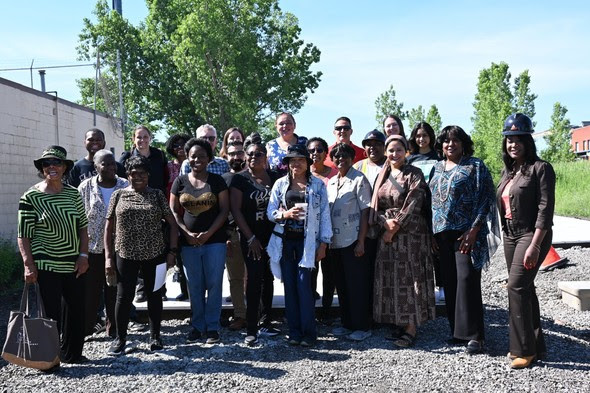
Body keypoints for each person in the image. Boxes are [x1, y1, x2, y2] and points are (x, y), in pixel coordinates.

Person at [429, 125, 499, 354]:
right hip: (441, 235)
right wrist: (431, 234)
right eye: (446, 141)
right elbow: (431, 202)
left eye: (455, 140)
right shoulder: (437, 168)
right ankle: (458, 333)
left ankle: (476, 336)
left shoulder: (475, 166)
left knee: (467, 282)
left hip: (467, 234)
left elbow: (486, 198)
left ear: (463, 143)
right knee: (450, 283)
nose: (450, 144)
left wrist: (474, 230)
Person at [17, 145, 89, 364]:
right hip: (45, 263)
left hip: (73, 262)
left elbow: (82, 228)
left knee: (76, 309)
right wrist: (28, 265)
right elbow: (24, 235)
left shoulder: (73, 194)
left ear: (65, 167)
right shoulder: (31, 197)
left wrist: (83, 256)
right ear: (42, 168)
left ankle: (72, 354)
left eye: (56, 163)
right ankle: (48, 357)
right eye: (46, 164)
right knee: (51, 313)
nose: (51, 167)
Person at [497, 113, 555, 369]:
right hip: (511, 234)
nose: (513, 144)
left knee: (516, 287)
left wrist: (535, 245)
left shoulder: (541, 168)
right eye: (509, 139)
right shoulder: (509, 171)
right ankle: (536, 344)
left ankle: (523, 350)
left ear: (528, 141)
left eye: (518, 139)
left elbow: (545, 209)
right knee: (526, 289)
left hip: (531, 234)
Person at [104, 155, 179, 355]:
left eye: (142, 173)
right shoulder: (118, 195)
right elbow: (108, 227)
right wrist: (109, 257)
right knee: (123, 296)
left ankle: (155, 337)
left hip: (155, 254)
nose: (138, 177)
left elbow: (172, 224)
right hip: (125, 254)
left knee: (154, 295)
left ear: (148, 175)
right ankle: (120, 339)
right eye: (133, 174)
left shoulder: (156, 195)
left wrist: (172, 251)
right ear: (127, 175)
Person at [369, 135, 436, 347]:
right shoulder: (383, 175)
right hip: (386, 231)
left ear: (406, 152)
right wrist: (383, 223)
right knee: (392, 278)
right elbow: (375, 206)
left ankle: (411, 327)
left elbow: (414, 202)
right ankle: (399, 321)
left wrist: (394, 226)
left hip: (410, 235)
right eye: (391, 150)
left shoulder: (413, 174)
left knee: (409, 278)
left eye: (399, 150)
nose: (394, 154)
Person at [267, 144, 332, 346]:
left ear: (307, 162)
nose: (297, 163)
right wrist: (285, 214)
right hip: (286, 240)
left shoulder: (318, 185)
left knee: (305, 286)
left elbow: (325, 216)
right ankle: (294, 332)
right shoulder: (279, 184)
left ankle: (309, 333)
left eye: (301, 159)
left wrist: (324, 243)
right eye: (293, 160)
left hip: (308, 242)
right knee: (290, 287)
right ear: (287, 163)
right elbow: (270, 212)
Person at [170, 138, 230, 345]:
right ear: (187, 157)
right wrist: (186, 233)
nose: (197, 159)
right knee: (194, 285)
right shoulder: (180, 182)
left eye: (202, 156)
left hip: (215, 241)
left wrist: (208, 233)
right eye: (193, 156)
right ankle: (197, 326)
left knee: (214, 284)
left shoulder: (217, 181)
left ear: (209, 159)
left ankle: (212, 327)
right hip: (188, 243)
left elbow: (224, 211)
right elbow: (173, 211)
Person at [230, 136, 280, 345]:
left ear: (266, 157)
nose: (253, 157)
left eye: (258, 154)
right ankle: (251, 327)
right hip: (251, 237)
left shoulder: (276, 177)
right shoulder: (240, 179)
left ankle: (266, 321)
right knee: (253, 280)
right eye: (249, 154)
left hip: (273, 236)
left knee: (269, 279)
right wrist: (250, 238)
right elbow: (236, 211)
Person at [78, 149, 128, 339]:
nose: (110, 167)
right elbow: (79, 218)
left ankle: (113, 327)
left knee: (114, 290)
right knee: (91, 291)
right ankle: (86, 328)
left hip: (119, 247)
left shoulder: (125, 185)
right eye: (105, 164)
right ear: (96, 166)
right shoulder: (85, 187)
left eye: (113, 164)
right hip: (93, 247)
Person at [327, 143, 373, 341]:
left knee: (357, 285)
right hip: (335, 242)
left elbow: (365, 211)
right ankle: (347, 323)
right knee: (342, 284)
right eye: (337, 157)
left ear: (352, 158)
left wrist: (361, 241)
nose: (341, 160)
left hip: (353, 239)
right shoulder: (331, 182)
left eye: (345, 156)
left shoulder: (359, 179)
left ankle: (362, 326)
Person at [119, 125, 169, 303]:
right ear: (133, 139)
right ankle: (141, 289)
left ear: (150, 138)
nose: (142, 140)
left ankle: (159, 287)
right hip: (135, 206)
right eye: (138, 137)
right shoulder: (126, 157)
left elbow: (165, 177)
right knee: (138, 249)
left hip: (156, 204)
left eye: (145, 137)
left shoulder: (159, 155)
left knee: (158, 249)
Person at [407, 122, 444, 304]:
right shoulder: (410, 160)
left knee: (437, 247)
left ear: (431, 136)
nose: (421, 139)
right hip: (416, 209)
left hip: (436, 207)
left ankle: (442, 286)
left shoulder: (439, 158)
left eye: (425, 135)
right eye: (418, 136)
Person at [306, 137, 337, 320]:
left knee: (329, 272)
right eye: (311, 150)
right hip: (309, 233)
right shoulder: (303, 175)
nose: (315, 154)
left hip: (331, 230)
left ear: (326, 153)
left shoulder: (334, 174)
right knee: (311, 272)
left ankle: (326, 310)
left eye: (319, 150)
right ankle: (310, 310)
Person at [222, 141, 248, 331]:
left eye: (240, 153)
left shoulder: (252, 178)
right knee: (235, 278)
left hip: (253, 234)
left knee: (257, 277)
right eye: (232, 154)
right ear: (226, 156)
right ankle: (240, 315)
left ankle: (259, 314)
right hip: (231, 234)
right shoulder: (221, 180)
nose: (236, 157)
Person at [164, 133, 192, 301]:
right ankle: (167, 290)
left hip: (189, 213)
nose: (179, 147)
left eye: (183, 144)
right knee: (174, 252)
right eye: (176, 145)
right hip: (170, 213)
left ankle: (189, 290)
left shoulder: (195, 163)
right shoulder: (167, 167)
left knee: (187, 254)